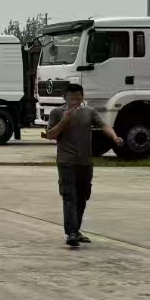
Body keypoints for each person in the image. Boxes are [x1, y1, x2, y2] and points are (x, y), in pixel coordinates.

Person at [42, 84, 122, 247]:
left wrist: (114, 137)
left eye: (78, 97)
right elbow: (50, 135)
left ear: (82, 97)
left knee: (82, 197)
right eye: (72, 98)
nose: (75, 101)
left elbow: (104, 125)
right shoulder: (57, 112)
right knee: (69, 196)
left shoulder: (89, 111)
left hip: (85, 162)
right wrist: (64, 121)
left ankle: (75, 230)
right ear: (65, 98)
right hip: (66, 162)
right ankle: (71, 233)